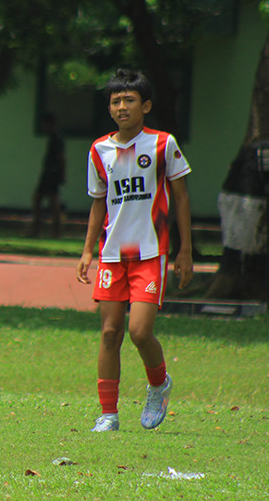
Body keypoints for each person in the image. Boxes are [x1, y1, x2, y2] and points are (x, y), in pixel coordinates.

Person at [75, 69, 193, 433]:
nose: (122, 107)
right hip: (112, 254)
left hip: (150, 252)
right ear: (109, 109)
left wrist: (185, 250)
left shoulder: (162, 144)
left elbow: (181, 196)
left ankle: (159, 385)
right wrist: (87, 251)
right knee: (110, 333)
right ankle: (108, 414)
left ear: (146, 106)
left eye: (129, 100)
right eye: (115, 101)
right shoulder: (99, 150)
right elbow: (98, 203)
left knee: (140, 332)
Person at [26, 113, 65, 238]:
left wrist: (61, 173)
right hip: (50, 172)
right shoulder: (53, 137)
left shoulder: (56, 138)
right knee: (49, 201)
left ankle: (41, 229)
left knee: (45, 200)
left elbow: (61, 157)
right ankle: (49, 230)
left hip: (51, 173)